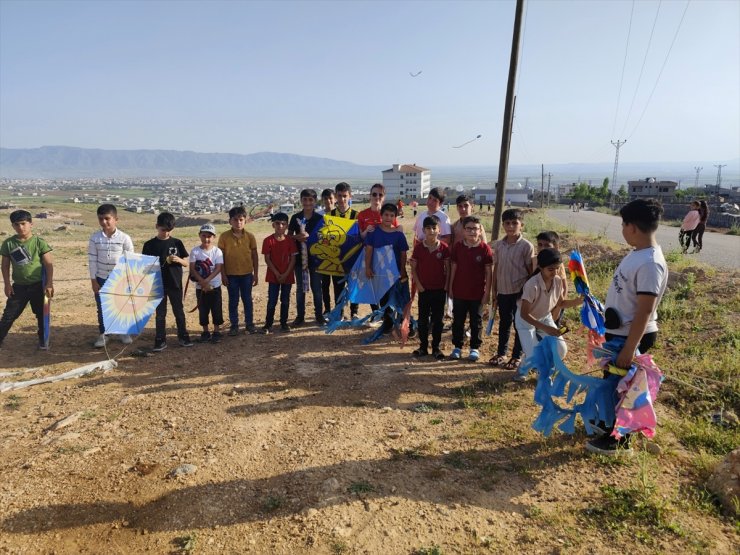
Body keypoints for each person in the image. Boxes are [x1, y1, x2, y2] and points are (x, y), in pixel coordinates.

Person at [586, 198, 668, 456]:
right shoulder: (638, 254)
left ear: (632, 226)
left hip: (630, 338)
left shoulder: (650, 262)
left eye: (623, 224)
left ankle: (619, 441)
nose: (622, 229)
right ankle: (609, 425)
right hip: (618, 334)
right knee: (612, 384)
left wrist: (630, 349)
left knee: (624, 390)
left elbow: (645, 309)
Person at [514, 248, 582, 381]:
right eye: (551, 269)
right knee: (534, 354)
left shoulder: (557, 281)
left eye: (557, 268)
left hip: (544, 318)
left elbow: (561, 303)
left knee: (561, 349)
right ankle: (526, 368)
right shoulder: (532, 285)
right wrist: (546, 328)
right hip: (525, 321)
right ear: (540, 267)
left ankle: (534, 364)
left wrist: (578, 301)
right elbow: (524, 314)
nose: (555, 272)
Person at [488, 208, 535, 369]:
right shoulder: (499, 245)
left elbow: (531, 272)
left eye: (514, 223)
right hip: (503, 291)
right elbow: (497, 269)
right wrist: (494, 291)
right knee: (504, 323)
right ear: (503, 225)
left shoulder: (526, 246)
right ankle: (501, 353)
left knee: (519, 324)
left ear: (521, 225)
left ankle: (517, 355)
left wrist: (528, 294)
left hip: (520, 293)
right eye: (507, 223)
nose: (510, 226)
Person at [0, 210, 54, 350]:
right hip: (19, 287)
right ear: (13, 226)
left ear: (31, 224)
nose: (21, 227)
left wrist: (49, 284)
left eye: (23, 224)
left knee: (42, 315)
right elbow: (5, 266)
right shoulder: (8, 244)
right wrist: (7, 284)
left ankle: (43, 341)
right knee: (8, 316)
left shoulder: (39, 243)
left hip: (38, 287)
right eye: (16, 224)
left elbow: (49, 264)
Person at [142, 212, 193, 350]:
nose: (166, 233)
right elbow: (144, 267)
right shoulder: (149, 245)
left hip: (175, 283)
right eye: (163, 230)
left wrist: (179, 260)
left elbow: (186, 263)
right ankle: (160, 339)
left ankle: (183, 336)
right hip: (157, 285)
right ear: (157, 226)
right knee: (160, 314)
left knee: (179, 311)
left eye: (169, 230)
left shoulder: (177, 243)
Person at [88, 204, 134, 348]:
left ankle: (123, 331)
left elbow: (130, 260)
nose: (104, 222)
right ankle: (104, 333)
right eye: (101, 219)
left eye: (107, 219)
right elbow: (92, 260)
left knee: (121, 306)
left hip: (119, 279)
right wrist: (93, 280)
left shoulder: (125, 238)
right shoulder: (95, 238)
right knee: (102, 307)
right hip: (101, 277)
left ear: (116, 219)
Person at [448, 215, 493, 361]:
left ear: (480, 231)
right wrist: (450, 287)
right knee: (458, 320)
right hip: (459, 291)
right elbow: (453, 268)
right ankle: (457, 347)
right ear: (463, 231)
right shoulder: (458, 247)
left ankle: (474, 348)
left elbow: (488, 272)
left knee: (476, 321)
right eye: (469, 229)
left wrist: (487, 292)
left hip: (477, 293)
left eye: (475, 229)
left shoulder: (485, 249)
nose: (472, 232)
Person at [364, 203, 409, 334]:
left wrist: (402, 270)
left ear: (395, 217)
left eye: (391, 215)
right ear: (381, 215)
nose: (388, 218)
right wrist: (368, 267)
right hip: (379, 274)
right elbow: (369, 251)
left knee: (398, 298)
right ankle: (388, 322)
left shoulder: (399, 235)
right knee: (383, 298)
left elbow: (403, 254)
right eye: (386, 215)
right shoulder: (373, 233)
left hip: (395, 274)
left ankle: (403, 322)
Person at [409, 215, 450, 360]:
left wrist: (446, 286)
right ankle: (423, 346)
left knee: (438, 320)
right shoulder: (419, 248)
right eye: (428, 228)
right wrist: (419, 285)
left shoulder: (444, 248)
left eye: (434, 228)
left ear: (439, 230)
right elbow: (413, 269)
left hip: (440, 290)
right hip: (424, 290)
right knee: (423, 320)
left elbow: (448, 269)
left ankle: (436, 347)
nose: (431, 231)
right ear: (423, 230)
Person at [218, 206, 259, 335]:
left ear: (245, 220)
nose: (238, 222)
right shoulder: (224, 237)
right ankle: (234, 326)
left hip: (247, 274)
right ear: (230, 221)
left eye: (241, 219)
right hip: (231, 275)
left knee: (247, 300)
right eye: (235, 220)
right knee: (233, 300)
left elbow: (255, 255)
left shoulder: (250, 236)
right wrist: (223, 275)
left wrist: (256, 274)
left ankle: (249, 324)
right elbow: (221, 258)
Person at [288, 188, 325, 327]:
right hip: (299, 259)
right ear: (301, 200)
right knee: (300, 289)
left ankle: (319, 316)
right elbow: (289, 235)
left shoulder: (319, 219)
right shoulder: (295, 217)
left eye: (310, 200)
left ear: (315, 201)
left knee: (316, 288)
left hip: (315, 259)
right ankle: (300, 316)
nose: (308, 202)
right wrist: (297, 237)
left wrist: (312, 237)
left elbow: (324, 237)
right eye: (305, 199)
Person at [261, 212, 297, 333]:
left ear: (287, 226)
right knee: (272, 301)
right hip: (273, 276)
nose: (280, 226)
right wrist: (277, 273)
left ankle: (283, 323)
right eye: (277, 223)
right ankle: (268, 324)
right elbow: (267, 259)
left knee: (285, 300)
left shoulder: (290, 241)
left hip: (287, 275)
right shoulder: (268, 240)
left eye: (283, 224)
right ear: (273, 225)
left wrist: (286, 274)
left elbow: (293, 258)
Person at [189, 224, 224, 344]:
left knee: (216, 308)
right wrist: (202, 282)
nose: (206, 239)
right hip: (200, 287)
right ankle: (205, 331)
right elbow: (192, 268)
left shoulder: (217, 251)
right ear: (199, 235)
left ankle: (216, 331)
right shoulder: (195, 251)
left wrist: (207, 281)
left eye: (209, 236)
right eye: (204, 235)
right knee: (203, 309)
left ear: (213, 237)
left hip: (215, 286)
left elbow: (218, 268)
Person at [330, 182, 359, 319]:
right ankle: (340, 313)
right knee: (338, 288)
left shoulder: (357, 216)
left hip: (353, 260)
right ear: (335, 196)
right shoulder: (329, 216)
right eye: (339, 196)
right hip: (336, 260)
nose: (342, 199)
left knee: (354, 287)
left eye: (345, 196)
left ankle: (354, 312)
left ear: (350, 196)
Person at [535, 231, 568, 324]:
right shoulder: (534, 260)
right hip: (539, 306)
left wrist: (558, 308)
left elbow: (564, 287)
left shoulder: (558, 264)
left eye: (547, 245)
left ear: (556, 247)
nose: (542, 248)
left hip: (555, 305)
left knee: (552, 330)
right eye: (540, 245)